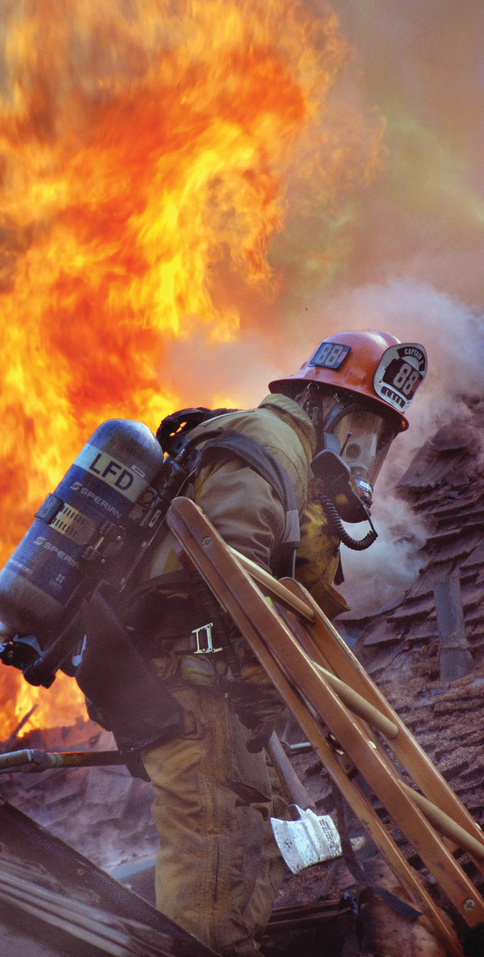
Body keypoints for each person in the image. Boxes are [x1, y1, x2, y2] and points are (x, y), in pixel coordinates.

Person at [128, 330, 427, 956]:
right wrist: (237, 664)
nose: (362, 450)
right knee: (211, 849)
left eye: (375, 437)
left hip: (230, 698)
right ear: (319, 405)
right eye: (357, 427)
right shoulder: (266, 446)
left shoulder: (298, 467)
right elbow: (218, 567)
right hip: (198, 688)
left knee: (245, 849)